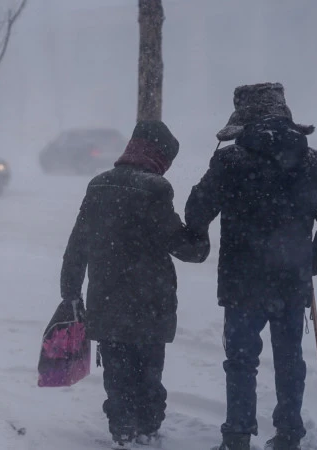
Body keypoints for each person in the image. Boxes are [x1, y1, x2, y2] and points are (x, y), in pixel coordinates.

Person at [185, 83, 317, 450]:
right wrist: (315, 259)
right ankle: (289, 436)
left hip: (242, 284)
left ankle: (238, 437)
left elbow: (197, 210)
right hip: (291, 281)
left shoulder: (231, 161)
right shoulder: (311, 162)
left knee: (241, 362)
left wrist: (197, 233)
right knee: (289, 360)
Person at [60, 120, 210, 448]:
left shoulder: (99, 185)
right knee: (148, 372)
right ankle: (148, 429)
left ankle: (123, 430)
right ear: (158, 156)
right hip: (149, 300)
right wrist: (199, 229)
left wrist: (70, 291)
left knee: (117, 373)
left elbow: (77, 243)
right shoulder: (155, 189)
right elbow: (185, 248)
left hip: (107, 298)